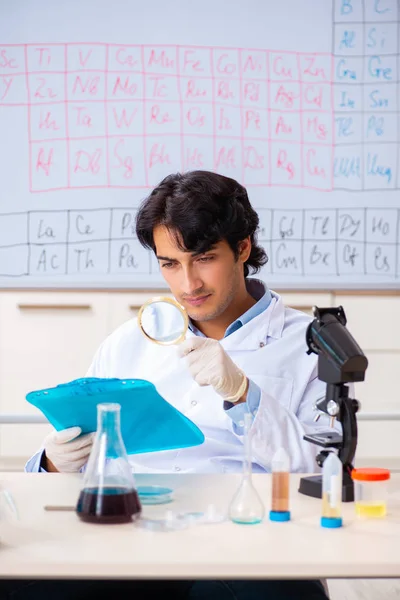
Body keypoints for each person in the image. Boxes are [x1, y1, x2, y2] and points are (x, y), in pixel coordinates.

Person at [23, 170, 333, 599]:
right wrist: (54, 462)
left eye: (204, 258)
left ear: (242, 248)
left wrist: (244, 394)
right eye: (170, 264)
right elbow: (82, 465)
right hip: (135, 536)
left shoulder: (310, 344)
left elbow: (324, 471)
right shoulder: (130, 340)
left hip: (248, 537)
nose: (188, 285)